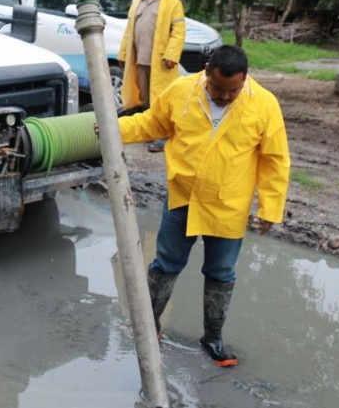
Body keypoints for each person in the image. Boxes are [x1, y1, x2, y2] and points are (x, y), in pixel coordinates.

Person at [118, 45, 290, 367]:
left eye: (233, 90)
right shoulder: (182, 90)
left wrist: (270, 207)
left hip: (228, 206)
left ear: (245, 79)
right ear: (206, 73)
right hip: (182, 197)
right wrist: (116, 129)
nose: (225, 97)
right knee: (166, 264)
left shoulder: (264, 104)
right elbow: (151, 124)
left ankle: (213, 338)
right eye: (219, 89)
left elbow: (275, 161)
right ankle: (148, 325)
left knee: (221, 273)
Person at [117, 0, 186, 152]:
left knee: (163, 100)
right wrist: (123, 54)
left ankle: (164, 136)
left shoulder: (172, 2)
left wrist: (171, 54)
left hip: (161, 62)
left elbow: (179, 31)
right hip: (139, 60)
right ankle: (149, 131)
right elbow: (129, 30)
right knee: (145, 99)